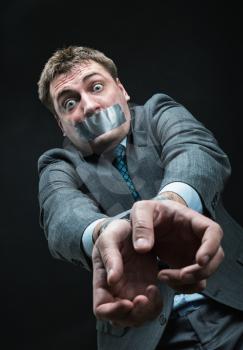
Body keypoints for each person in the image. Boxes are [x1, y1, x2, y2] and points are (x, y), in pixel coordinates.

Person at [37, 46, 243, 350]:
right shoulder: (58, 164)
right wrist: (105, 232)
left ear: (121, 89)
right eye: (70, 103)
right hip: (146, 334)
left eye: (96, 87)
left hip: (233, 299)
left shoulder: (158, 113)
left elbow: (196, 152)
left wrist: (171, 204)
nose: (90, 107)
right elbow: (62, 215)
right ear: (61, 124)